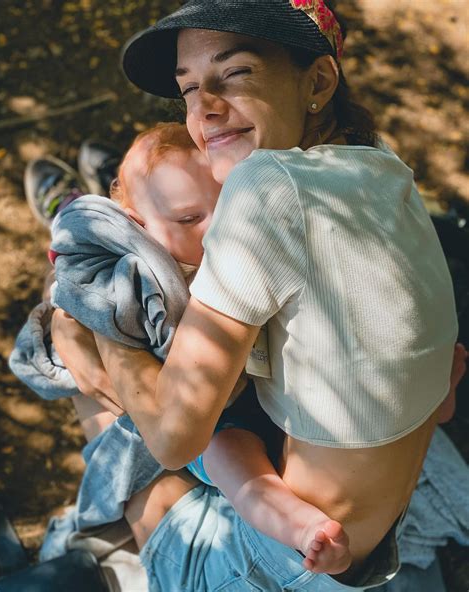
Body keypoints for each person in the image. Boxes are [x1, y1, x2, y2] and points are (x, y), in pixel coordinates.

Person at [50, 1, 461, 590]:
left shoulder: (263, 185)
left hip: (272, 567)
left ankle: (83, 216)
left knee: (87, 377)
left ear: (317, 80)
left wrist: (95, 331)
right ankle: (114, 208)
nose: (204, 109)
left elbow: (171, 438)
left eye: (234, 73)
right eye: (188, 89)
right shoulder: (383, 168)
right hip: (374, 541)